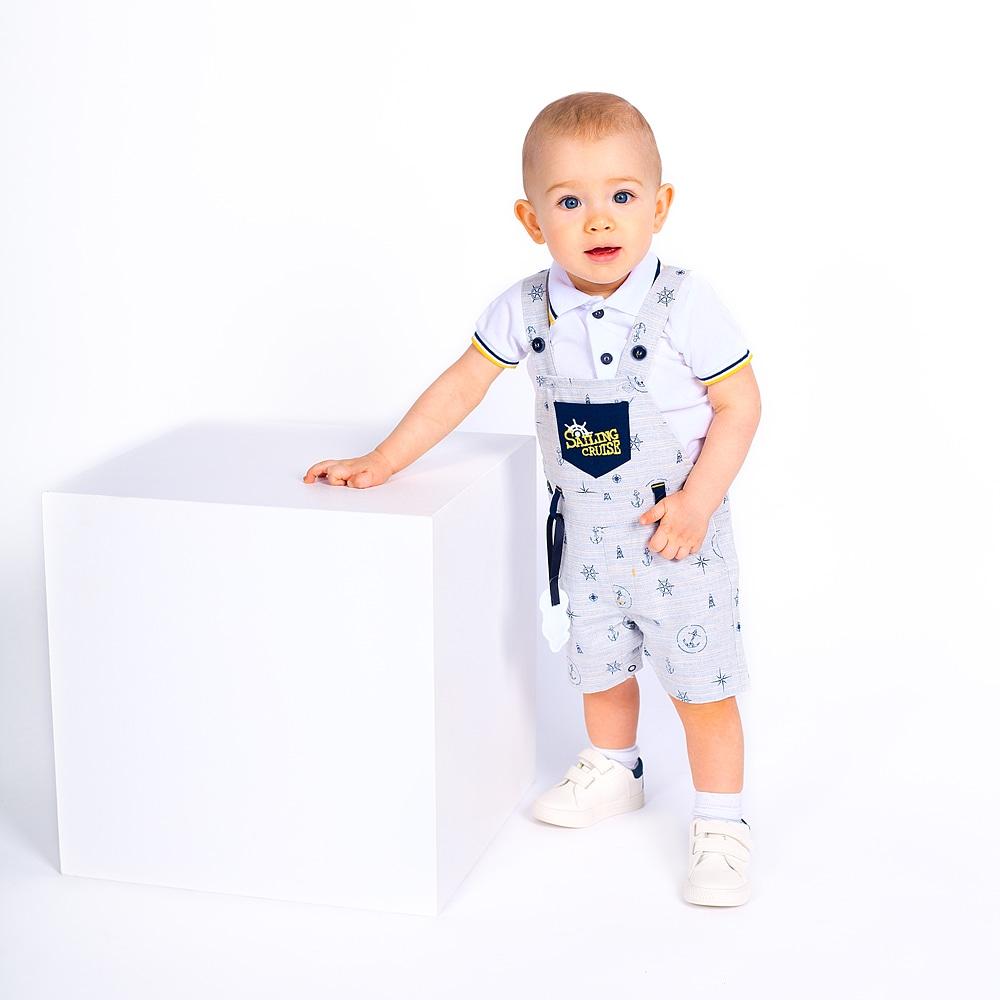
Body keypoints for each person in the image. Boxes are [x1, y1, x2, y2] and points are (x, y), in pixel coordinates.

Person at [303, 92, 762, 907]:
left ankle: (723, 823)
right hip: (587, 534)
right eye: (569, 201)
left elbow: (740, 406)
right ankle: (615, 767)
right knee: (599, 663)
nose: (599, 219)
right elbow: (462, 386)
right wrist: (383, 460)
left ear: (659, 206)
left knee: (702, 685)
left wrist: (697, 503)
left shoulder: (686, 304)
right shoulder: (525, 308)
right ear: (530, 218)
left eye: (622, 195)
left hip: (677, 534)